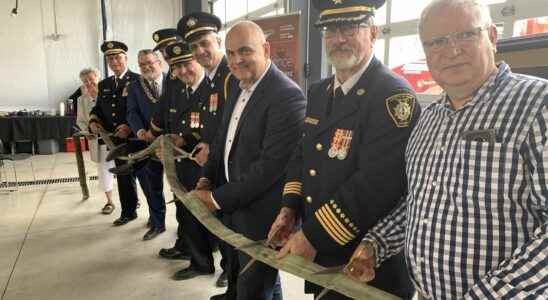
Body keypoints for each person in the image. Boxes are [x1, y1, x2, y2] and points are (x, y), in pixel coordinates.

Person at [345, 1, 548, 299]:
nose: (451, 51)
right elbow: (421, 202)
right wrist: (375, 244)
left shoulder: (538, 105)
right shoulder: (428, 118)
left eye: (466, 35)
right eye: (437, 42)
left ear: (492, 36)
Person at [267, 1, 419, 299]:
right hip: (323, 248)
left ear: (373, 32)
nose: (338, 39)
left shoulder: (393, 96)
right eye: (330, 31)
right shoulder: (320, 91)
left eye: (349, 28)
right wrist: (289, 208)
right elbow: (303, 153)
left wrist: (312, 236)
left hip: (365, 259)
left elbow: (377, 184)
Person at [192, 21, 306, 300]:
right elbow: (222, 140)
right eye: (230, 53)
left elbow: (269, 169)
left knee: (254, 287)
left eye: (244, 51)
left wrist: (216, 199)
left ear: (265, 49)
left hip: (262, 216)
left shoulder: (287, 96)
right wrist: (207, 176)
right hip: (234, 205)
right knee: (240, 272)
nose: (236, 60)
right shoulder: (238, 85)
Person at [150, 41, 217, 281]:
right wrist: (175, 139)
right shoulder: (179, 89)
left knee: (217, 218)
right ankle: (200, 263)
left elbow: (217, 129)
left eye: (186, 64)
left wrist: (189, 139)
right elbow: (177, 124)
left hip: (206, 165)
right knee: (189, 216)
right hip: (184, 164)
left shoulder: (214, 88)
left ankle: (230, 273)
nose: (182, 71)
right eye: (176, 67)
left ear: (198, 60)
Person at [178, 11, 232, 288]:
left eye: (205, 43)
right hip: (214, 165)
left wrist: (211, 147)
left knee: (230, 232)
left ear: (219, 41)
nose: (200, 51)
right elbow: (214, 123)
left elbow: (235, 125)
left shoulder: (230, 75)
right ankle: (233, 283)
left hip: (231, 169)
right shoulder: (213, 78)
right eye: (194, 47)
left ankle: (231, 277)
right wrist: (205, 143)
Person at [89, 40, 141, 226]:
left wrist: (129, 126)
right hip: (115, 140)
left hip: (136, 137)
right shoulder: (104, 84)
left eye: (118, 57)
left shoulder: (138, 80)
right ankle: (129, 211)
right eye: (110, 58)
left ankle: (155, 217)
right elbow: (99, 108)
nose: (114, 61)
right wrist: (94, 119)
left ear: (125, 58)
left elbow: (142, 109)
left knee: (146, 178)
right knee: (124, 176)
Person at [150, 28, 191, 260]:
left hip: (191, 149)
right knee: (181, 201)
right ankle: (186, 244)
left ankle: (195, 246)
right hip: (175, 146)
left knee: (192, 203)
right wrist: (153, 132)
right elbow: (164, 107)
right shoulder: (173, 75)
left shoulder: (188, 73)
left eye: (169, 48)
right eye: (163, 51)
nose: (166, 54)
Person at [126, 49, 167, 241]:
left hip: (175, 144)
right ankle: (158, 224)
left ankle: (189, 231)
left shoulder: (175, 81)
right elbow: (132, 113)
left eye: (150, 62)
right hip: (148, 144)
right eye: (142, 64)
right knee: (153, 186)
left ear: (159, 63)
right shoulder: (134, 87)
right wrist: (140, 131)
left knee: (182, 187)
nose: (147, 67)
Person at [75, 67, 115, 215]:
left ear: (99, 79)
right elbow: (80, 120)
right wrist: (88, 131)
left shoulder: (109, 93)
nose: (89, 83)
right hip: (98, 141)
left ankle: (132, 199)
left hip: (115, 138)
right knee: (104, 171)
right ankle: (110, 201)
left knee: (125, 170)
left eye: (92, 79)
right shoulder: (81, 99)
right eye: (85, 81)